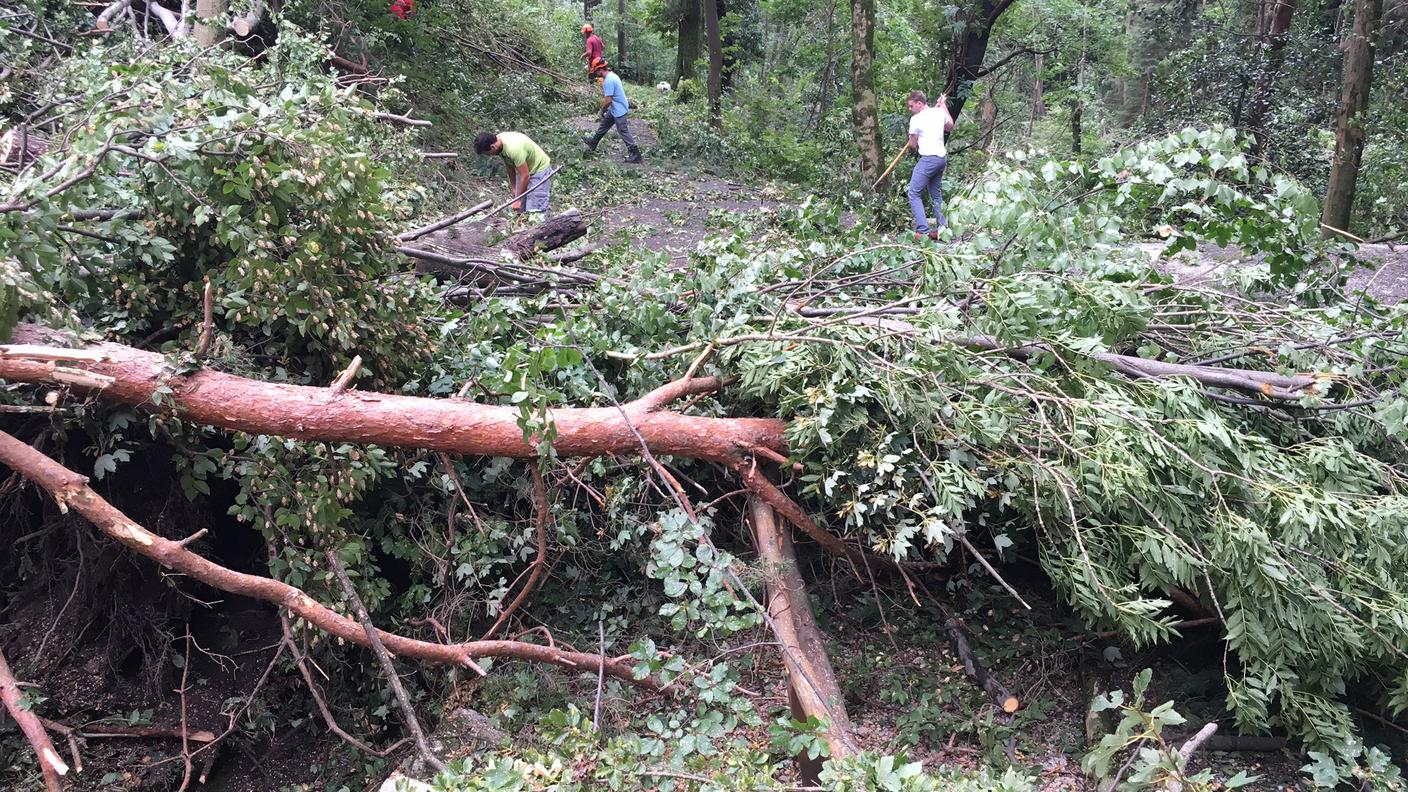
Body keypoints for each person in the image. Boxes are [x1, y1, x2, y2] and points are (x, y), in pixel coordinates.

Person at [905, 89, 954, 241]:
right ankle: (943, 229)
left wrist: (914, 137)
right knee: (935, 194)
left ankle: (923, 230)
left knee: (913, 193)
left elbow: (912, 145)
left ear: (919, 104)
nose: (910, 109)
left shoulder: (916, 119)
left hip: (928, 159)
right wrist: (943, 105)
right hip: (941, 158)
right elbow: (950, 126)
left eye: (911, 106)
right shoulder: (938, 112)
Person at [473, 131, 552, 215]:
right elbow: (510, 166)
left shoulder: (513, 148)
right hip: (525, 170)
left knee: (535, 210)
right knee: (520, 210)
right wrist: (514, 188)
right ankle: (522, 226)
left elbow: (525, 176)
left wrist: (517, 200)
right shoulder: (499, 144)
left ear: (492, 147)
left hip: (539, 170)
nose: (489, 156)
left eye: (488, 153)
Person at [583, 59, 642, 164]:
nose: (596, 74)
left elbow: (608, 101)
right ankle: (593, 142)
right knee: (605, 124)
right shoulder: (612, 75)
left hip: (619, 109)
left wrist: (602, 110)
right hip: (616, 107)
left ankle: (636, 154)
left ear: (600, 70)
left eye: (596, 71)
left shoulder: (609, 81)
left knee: (623, 130)